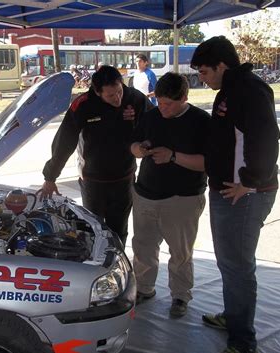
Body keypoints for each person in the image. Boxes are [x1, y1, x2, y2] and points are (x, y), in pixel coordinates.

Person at [190, 36, 279, 353]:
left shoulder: (250, 90)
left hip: (243, 193)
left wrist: (249, 182)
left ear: (221, 66)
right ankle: (233, 317)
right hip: (226, 189)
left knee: (239, 265)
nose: (202, 77)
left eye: (204, 71)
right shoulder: (228, 90)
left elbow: (267, 140)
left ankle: (243, 341)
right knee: (229, 262)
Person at [39, 65, 153, 245]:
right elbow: (64, 141)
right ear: (97, 92)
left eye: (119, 91)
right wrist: (50, 176)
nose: (117, 98)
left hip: (124, 179)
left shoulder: (135, 98)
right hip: (93, 181)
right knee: (91, 230)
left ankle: (116, 265)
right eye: (110, 95)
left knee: (119, 231)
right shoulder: (83, 104)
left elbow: (152, 125)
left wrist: (145, 143)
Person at [130, 72, 209, 317]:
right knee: (143, 246)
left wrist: (173, 156)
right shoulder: (151, 116)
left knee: (180, 252)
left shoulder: (201, 121)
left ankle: (180, 296)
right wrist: (140, 150)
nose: (162, 108)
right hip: (145, 193)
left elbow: (208, 163)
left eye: (169, 104)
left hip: (182, 198)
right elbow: (133, 145)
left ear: (185, 97)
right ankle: (144, 288)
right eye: (160, 102)